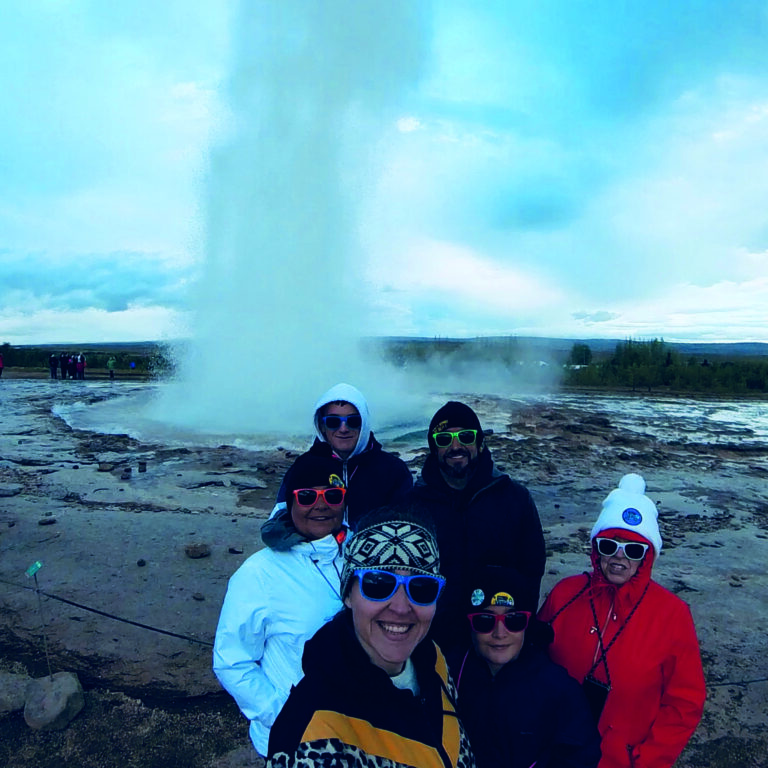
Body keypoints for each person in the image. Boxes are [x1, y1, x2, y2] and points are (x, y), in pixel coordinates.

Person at [267, 509, 475, 768]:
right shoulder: (311, 730)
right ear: (348, 595)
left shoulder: (434, 661)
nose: (401, 607)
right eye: (378, 584)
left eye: (422, 587)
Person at [538, 473, 706, 768]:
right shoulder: (565, 594)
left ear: (647, 556)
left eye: (632, 549)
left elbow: (685, 703)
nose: (618, 557)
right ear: (595, 549)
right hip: (555, 753)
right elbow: (532, 663)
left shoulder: (673, 615)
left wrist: (647, 761)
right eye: (608, 545)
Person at [213, 453, 348, 757]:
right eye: (307, 496)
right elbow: (231, 662)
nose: (321, 504)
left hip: (359, 732)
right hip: (295, 741)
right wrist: (286, 714)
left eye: (333, 494)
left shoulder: (359, 556)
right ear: (290, 503)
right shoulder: (258, 573)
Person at [410, 401, 545, 651]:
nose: (455, 446)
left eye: (465, 436)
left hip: (495, 638)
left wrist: (517, 630)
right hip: (432, 641)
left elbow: (531, 572)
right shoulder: (413, 505)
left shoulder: (516, 499)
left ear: (480, 442)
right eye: (444, 439)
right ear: (433, 447)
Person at [448, 565, 601, 768]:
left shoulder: (556, 688)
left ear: (527, 625)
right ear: (470, 625)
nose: (500, 633)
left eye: (514, 620)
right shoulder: (446, 673)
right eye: (485, 620)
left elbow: (581, 754)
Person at [274, 383, 413, 529]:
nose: (343, 429)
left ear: (364, 424)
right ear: (321, 426)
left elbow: (407, 523)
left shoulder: (393, 470)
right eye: (333, 422)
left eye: (353, 421)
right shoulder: (303, 467)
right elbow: (279, 520)